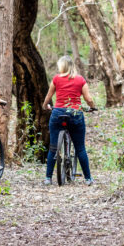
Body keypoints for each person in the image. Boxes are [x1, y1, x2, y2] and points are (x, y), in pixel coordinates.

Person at [42, 55, 97, 186]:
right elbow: (88, 99)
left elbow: (49, 96)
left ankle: (48, 178)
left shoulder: (56, 79)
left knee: (53, 148)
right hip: (75, 113)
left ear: (62, 67)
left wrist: (45, 106)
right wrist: (92, 107)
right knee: (80, 149)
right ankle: (88, 179)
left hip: (58, 113)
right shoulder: (80, 80)